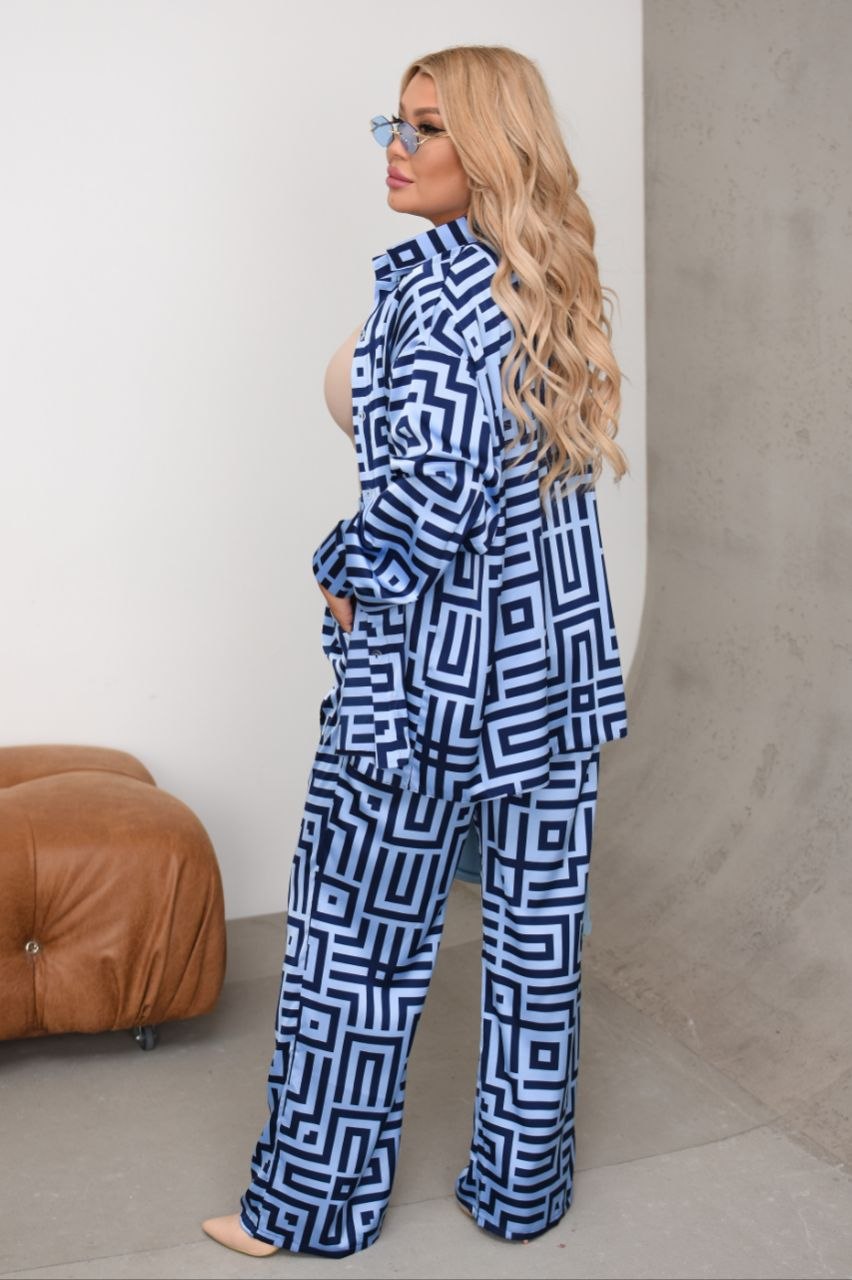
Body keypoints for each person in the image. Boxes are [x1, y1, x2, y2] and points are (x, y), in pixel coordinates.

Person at [202, 42, 629, 1260]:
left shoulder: (431, 295)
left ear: (488, 148)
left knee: (353, 944)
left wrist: (343, 577)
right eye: (392, 122)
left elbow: (428, 506)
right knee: (534, 953)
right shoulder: (549, 286)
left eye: (427, 127)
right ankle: (521, 1192)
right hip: (551, 678)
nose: (396, 146)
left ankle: (305, 1205)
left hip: (423, 685)